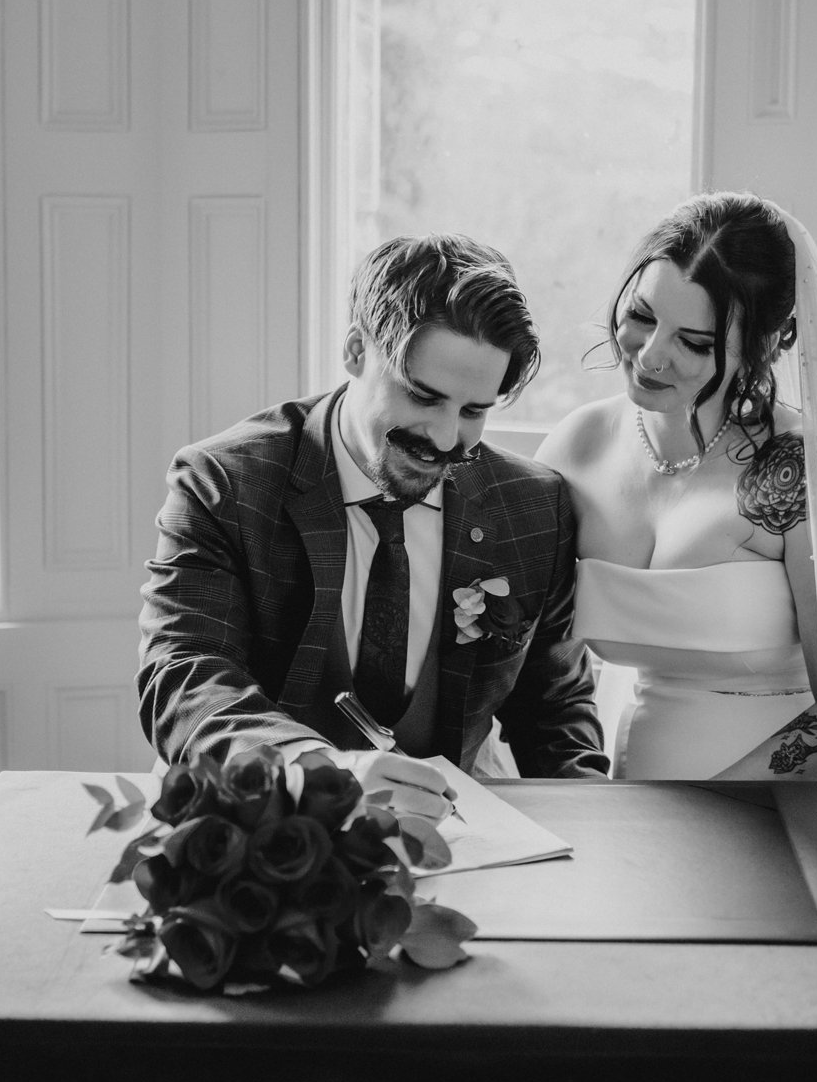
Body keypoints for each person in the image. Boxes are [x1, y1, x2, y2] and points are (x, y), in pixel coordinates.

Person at [138, 234, 608, 829]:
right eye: (423, 396)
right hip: (255, 832)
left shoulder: (534, 506)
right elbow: (183, 669)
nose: (444, 439)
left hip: (460, 843)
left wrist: (593, 828)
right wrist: (309, 770)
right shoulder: (226, 483)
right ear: (357, 349)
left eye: (473, 412)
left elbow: (555, 710)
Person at [536, 193, 817, 781]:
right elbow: (535, 665)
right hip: (633, 792)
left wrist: (716, 810)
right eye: (642, 316)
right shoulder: (577, 448)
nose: (649, 355)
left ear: (765, 345)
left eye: (693, 343)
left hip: (788, 801)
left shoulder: (802, 471)